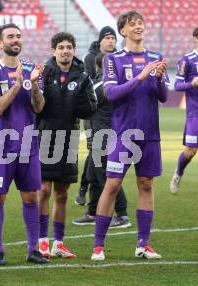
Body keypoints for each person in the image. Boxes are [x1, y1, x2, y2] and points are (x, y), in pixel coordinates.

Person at [92, 11, 169, 261]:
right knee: (112, 184)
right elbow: (112, 94)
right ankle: (98, 246)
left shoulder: (156, 58)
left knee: (146, 185)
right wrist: (141, 76)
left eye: (140, 23)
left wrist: (157, 79)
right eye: (132, 24)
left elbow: (163, 96)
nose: (138, 26)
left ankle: (143, 244)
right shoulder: (113, 60)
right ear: (123, 31)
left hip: (149, 133)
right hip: (123, 134)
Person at [0, 23, 47, 265]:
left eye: (18, 36)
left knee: (30, 196)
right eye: (10, 37)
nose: (15, 40)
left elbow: (39, 107)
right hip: (1, 146)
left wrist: (35, 86)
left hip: (28, 144)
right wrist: (18, 84)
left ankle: (33, 250)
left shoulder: (32, 70)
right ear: (0, 43)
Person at [36, 32, 96, 259]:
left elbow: (91, 108)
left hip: (69, 137)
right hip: (44, 136)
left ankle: (58, 243)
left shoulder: (82, 76)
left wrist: (79, 99)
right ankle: (42, 242)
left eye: (69, 47)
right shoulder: (43, 73)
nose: (65, 51)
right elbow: (36, 107)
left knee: (61, 194)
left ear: (73, 50)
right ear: (53, 51)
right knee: (43, 191)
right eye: (60, 47)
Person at [72, 53, 130, 228]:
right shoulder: (108, 86)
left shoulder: (99, 86)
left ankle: (122, 215)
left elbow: (79, 103)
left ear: (97, 67)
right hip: (98, 139)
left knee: (107, 178)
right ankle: (92, 212)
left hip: (104, 139)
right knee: (93, 176)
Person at [75, 26, 118, 206]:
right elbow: (92, 85)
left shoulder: (118, 57)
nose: (110, 41)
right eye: (107, 38)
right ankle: (85, 189)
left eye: (113, 38)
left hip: (111, 113)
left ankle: (95, 201)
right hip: (94, 112)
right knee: (96, 151)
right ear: (100, 41)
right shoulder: (90, 58)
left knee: (101, 154)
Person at [170, 27, 198, 194]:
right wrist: (192, 84)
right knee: (190, 151)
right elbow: (177, 85)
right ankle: (178, 173)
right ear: (195, 38)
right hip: (195, 113)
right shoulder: (187, 60)